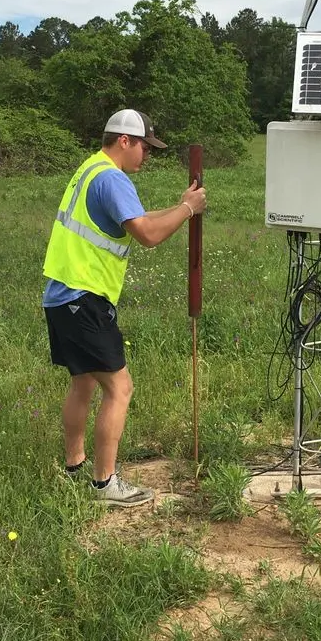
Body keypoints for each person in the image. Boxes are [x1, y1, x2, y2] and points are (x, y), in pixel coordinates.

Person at [41, 109, 207, 507]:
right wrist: (187, 211)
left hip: (61, 295)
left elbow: (136, 219)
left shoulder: (91, 169)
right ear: (124, 140)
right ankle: (105, 485)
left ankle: (74, 467)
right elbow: (147, 235)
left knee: (82, 382)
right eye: (144, 147)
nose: (146, 156)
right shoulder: (113, 179)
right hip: (85, 296)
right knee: (120, 387)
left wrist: (180, 205)